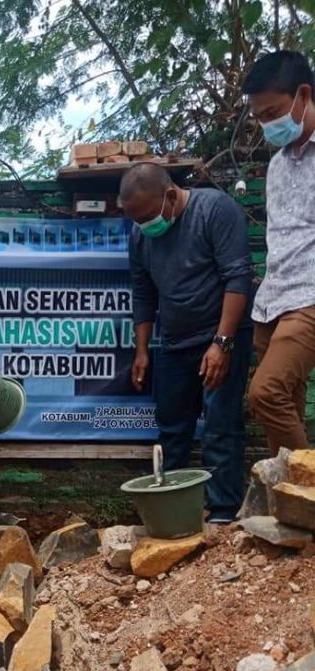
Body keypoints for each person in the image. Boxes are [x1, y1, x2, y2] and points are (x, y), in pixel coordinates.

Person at [121, 163, 254, 523]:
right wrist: (142, 350)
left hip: (221, 336)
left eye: (146, 216)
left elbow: (238, 278)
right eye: (135, 219)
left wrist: (222, 343)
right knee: (172, 429)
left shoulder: (214, 209)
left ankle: (223, 513)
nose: (143, 225)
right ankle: (173, 510)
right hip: (174, 343)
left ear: (170, 195)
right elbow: (143, 294)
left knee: (220, 425)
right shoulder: (140, 235)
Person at [244, 50, 315, 455]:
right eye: (259, 118)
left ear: (303, 94)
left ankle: (307, 489)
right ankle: (287, 491)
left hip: (309, 297)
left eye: (272, 113)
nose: (267, 125)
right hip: (272, 300)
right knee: (282, 408)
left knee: (266, 392)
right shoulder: (278, 165)